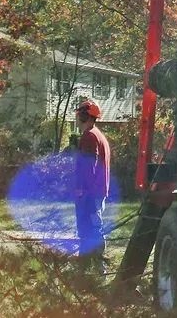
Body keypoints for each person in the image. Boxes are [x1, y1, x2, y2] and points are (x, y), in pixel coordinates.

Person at [73, 100, 110, 274]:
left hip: (89, 193)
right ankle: (90, 268)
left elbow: (89, 166)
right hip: (97, 191)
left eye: (79, 115)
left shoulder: (89, 136)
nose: (77, 118)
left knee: (91, 230)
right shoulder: (98, 135)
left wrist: (81, 190)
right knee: (94, 228)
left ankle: (94, 270)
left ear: (84, 116)